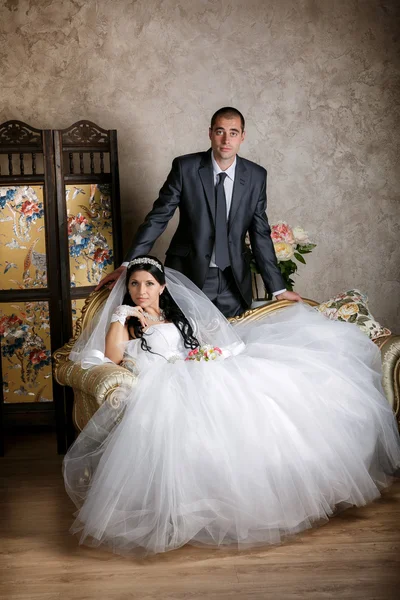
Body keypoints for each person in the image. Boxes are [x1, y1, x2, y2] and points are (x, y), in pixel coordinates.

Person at [63, 255, 400, 556]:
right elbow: (112, 358)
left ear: (162, 287)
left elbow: (200, 343)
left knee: (264, 401)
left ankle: (269, 495)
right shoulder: (129, 321)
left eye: (149, 283)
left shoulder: (174, 317)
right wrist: (119, 318)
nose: (141, 290)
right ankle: (186, 510)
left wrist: (208, 353)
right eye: (135, 284)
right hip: (163, 381)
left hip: (198, 368)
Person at [96, 107, 301, 317]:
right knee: (186, 341)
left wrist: (279, 288)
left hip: (234, 280)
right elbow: (158, 218)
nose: (226, 140)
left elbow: (260, 234)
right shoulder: (185, 168)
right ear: (210, 133)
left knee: (233, 343)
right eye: (220, 131)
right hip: (189, 275)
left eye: (233, 133)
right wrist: (128, 263)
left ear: (242, 137)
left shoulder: (256, 176)